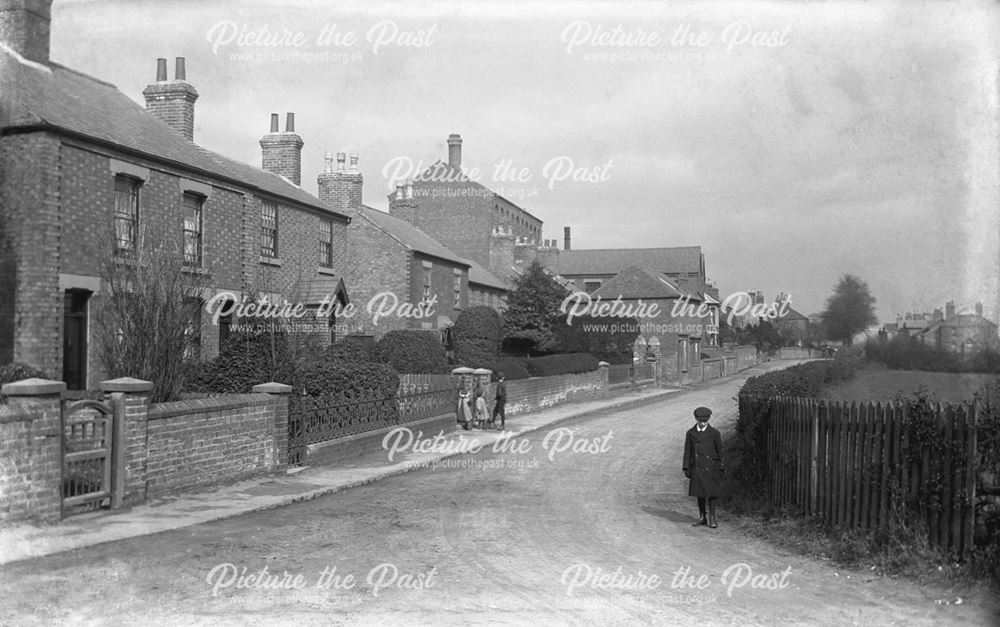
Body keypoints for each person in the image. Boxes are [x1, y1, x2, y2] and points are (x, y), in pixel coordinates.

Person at [683, 406, 724, 528]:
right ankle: (702, 517)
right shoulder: (690, 433)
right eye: (700, 421)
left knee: (712, 493)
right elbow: (687, 451)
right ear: (696, 419)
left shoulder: (714, 433)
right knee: (699, 492)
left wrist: (721, 466)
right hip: (697, 467)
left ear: (708, 420)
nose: (702, 423)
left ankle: (712, 517)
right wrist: (686, 467)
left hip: (711, 467)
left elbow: (720, 451)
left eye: (705, 421)